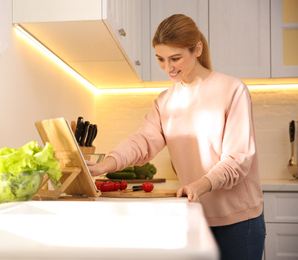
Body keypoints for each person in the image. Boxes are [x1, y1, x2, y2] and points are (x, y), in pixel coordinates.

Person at [87, 14, 265, 260]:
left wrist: (200, 185)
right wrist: (105, 165)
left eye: (175, 58)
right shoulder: (165, 101)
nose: (168, 68)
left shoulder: (232, 90)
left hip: (238, 221)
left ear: (197, 49)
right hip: (195, 216)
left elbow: (238, 158)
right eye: (161, 59)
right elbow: (142, 141)